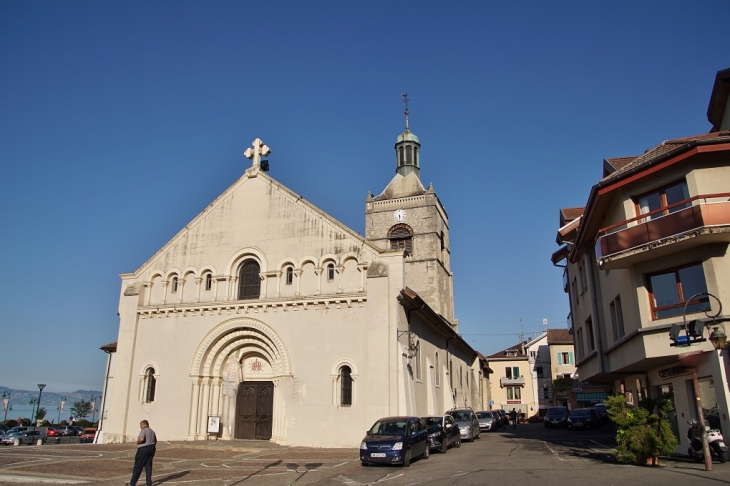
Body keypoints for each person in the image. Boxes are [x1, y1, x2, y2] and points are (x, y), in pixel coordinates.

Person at [126, 420, 156, 486]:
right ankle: (149, 482)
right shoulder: (152, 431)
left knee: (138, 466)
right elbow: (155, 440)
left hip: (143, 449)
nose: (140, 427)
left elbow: (141, 439)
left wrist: (138, 442)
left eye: (141, 425)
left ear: (145, 425)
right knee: (148, 466)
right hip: (152, 448)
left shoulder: (144, 430)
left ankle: (132, 483)